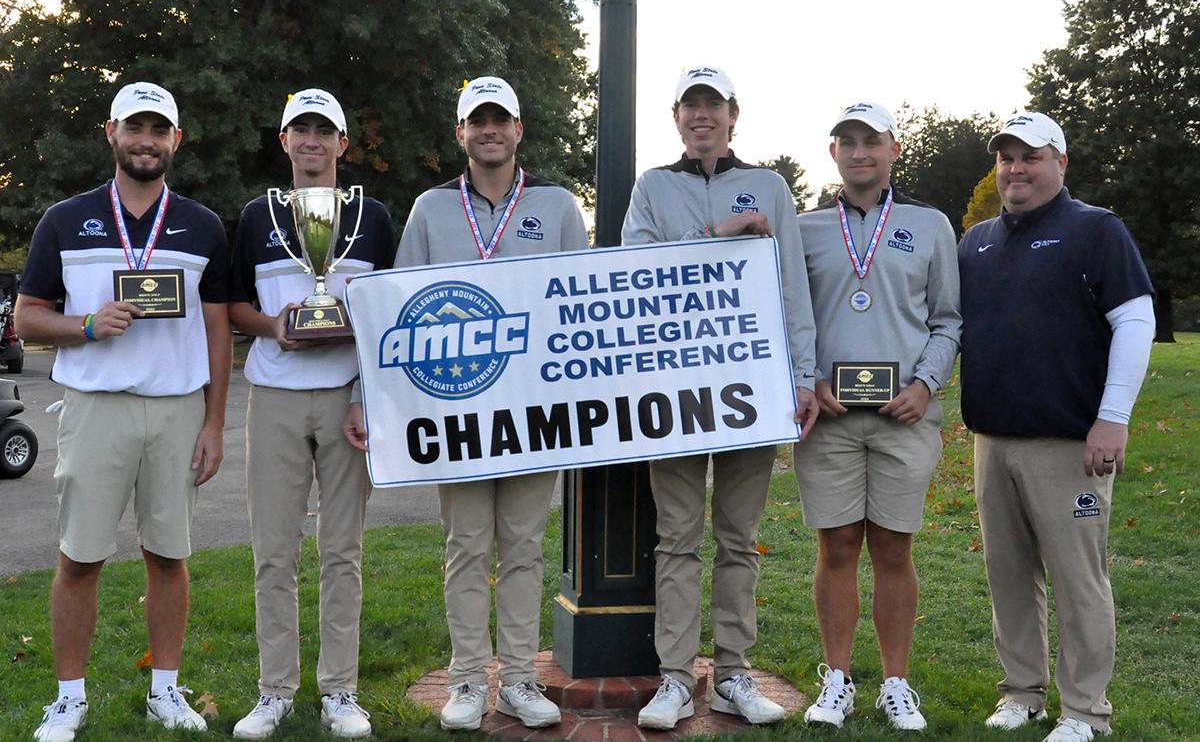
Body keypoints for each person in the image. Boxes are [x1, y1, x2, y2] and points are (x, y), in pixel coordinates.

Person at [343, 76, 588, 732]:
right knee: (466, 546)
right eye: (477, 121)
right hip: (456, 409)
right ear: (460, 133)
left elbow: (581, 308)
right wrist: (377, 399)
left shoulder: (558, 206)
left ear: (518, 130)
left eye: (499, 120)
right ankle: (466, 680)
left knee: (525, 546)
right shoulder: (430, 208)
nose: (489, 131)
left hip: (536, 413)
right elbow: (398, 313)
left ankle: (520, 681)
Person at [15, 82, 231, 741]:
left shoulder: (201, 225)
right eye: (135, 127)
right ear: (111, 132)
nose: (146, 140)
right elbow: (27, 318)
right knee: (79, 558)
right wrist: (84, 324)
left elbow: (219, 330)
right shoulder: (65, 218)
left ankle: (166, 690)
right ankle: (69, 698)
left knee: (168, 555)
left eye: (158, 129)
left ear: (175, 141)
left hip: (175, 412)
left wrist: (216, 422)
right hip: (95, 408)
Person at [622, 65, 819, 731]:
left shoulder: (768, 187)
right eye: (690, 106)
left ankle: (733, 672)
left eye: (713, 105)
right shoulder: (653, 187)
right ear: (676, 117)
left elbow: (792, 285)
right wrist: (718, 238)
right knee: (676, 539)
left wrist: (801, 377)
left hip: (751, 389)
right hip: (674, 391)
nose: (701, 116)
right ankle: (676, 678)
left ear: (734, 114)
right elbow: (636, 272)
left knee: (739, 537)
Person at [959, 112, 1154, 742]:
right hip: (994, 439)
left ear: (1061, 163)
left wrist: (1113, 418)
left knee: (1078, 581)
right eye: (1007, 158)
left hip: (1070, 442)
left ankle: (1085, 712)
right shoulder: (978, 241)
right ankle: (1022, 693)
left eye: (1031, 157)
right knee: (1009, 575)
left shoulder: (1096, 230)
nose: (1016, 169)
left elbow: (1135, 321)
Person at [227, 89, 395, 739]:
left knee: (341, 549)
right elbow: (235, 305)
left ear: (343, 144)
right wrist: (276, 327)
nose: (313, 141)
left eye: (325, 131)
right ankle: (274, 691)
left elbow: (387, 313)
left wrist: (361, 388)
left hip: (347, 395)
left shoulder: (374, 217)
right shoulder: (254, 215)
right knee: (273, 550)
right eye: (302, 129)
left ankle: (340, 691)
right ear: (284, 141)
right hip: (273, 394)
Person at [793, 101, 961, 731]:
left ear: (893, 148)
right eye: (847, 141)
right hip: (829, 416)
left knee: (893, 547)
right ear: (832, 152)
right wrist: (807, 377)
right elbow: (788, 317)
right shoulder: (804, 229)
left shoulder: (931, 224)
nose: (859, 152)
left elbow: (948, 318)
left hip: (905, 415)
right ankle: (835, 679)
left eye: (871, 141)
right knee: (836, 545)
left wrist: (926, 383)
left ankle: (896, 682)